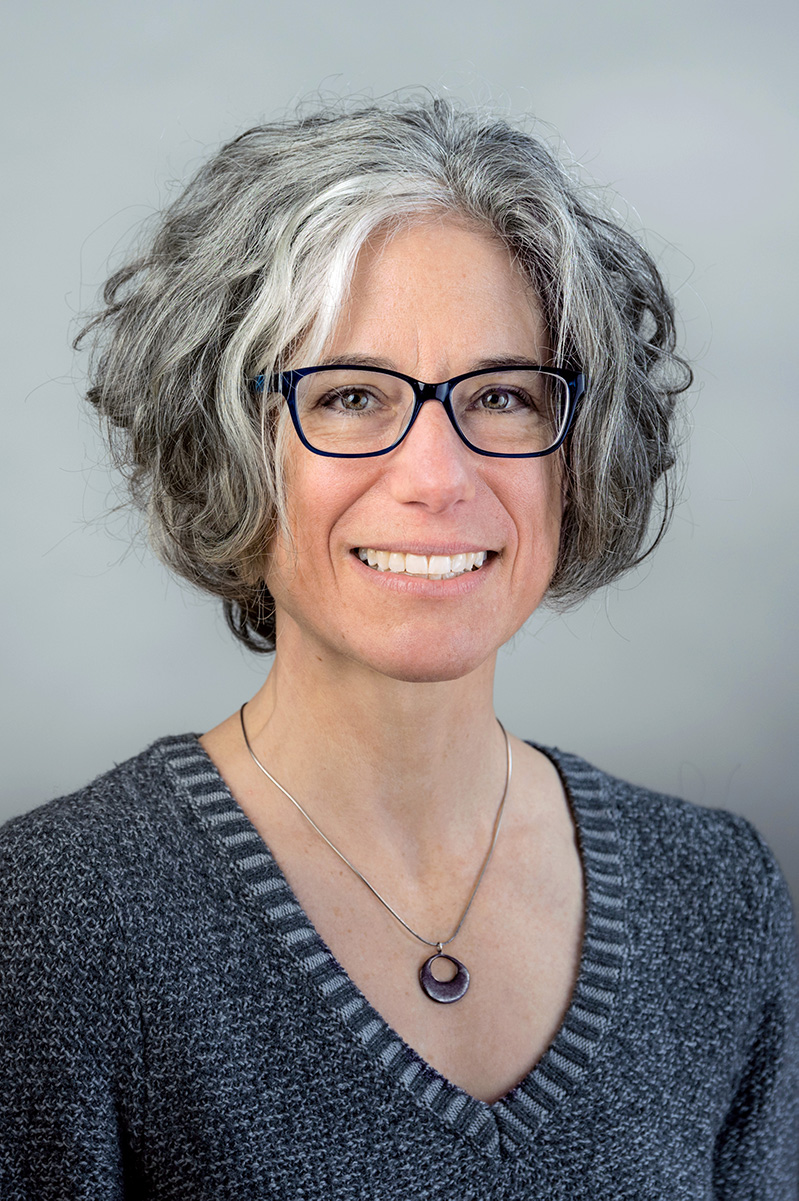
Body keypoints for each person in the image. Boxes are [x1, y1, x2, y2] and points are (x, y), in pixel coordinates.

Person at [1, 97, 797, 1198]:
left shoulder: (717, 900)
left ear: (580, 452)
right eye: (351, 395)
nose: (435, 474)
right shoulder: (55, 921)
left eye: (505, 396)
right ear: (228, 444)